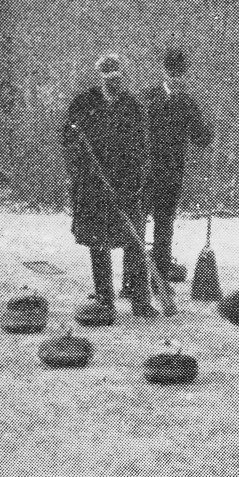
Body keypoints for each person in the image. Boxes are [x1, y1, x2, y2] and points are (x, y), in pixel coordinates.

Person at [61, 54, 158, 320]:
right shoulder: (84, 103)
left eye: (117, 78)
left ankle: (141, 301)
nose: (113, 83)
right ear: (100, 77)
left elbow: (142, 148)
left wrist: (135, 182)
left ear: (122, 77)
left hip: (127, 186)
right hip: (92, 186)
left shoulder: (133, 107)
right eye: (108, 78)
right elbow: (67, 138)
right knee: (98, 242)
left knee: (134, 242)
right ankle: (105, 298)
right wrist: (82, 164)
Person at [122, 47, 213, 296]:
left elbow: (200, 139)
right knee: (136, 226)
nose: (176, 77)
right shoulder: (146, 98)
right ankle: (130, 282)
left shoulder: (188, 103)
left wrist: (209, 129)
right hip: (143, 174)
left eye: (180, 73)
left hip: (171, 175)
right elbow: (128, 132)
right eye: (173, 72)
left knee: (164, 228)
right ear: (164, 71)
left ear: (185, 74)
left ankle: (160, 281)